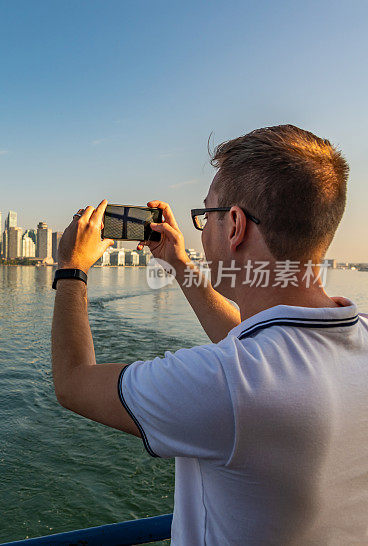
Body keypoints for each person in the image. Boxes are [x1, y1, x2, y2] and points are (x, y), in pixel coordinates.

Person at [51, 125, 367, 544]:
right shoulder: (349, 341)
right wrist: (179, 264)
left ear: (235, 224)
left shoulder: (226, 384)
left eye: (207, 216)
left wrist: (71, 270)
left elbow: (73, 382)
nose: (201, 231)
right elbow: (257, 346)